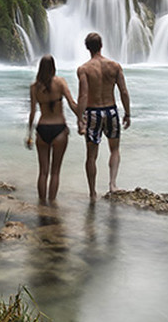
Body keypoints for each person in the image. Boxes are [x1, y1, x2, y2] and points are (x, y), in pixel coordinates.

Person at [76, 32, 130, 200]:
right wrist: (128, 113)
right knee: (114, 149)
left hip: (93, 112)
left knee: (91, 156)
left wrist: (79, 118)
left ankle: (92, 193)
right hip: (111, 111)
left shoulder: (84, 69)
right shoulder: (114, 66)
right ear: (101, 46)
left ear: (87, 48)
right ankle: (113, 184)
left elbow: (83, 96)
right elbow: (123, 91)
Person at [26, 55, 80, 204]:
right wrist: (81, 118)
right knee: (55, 172)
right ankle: (52, 205)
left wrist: (29, 135)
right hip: (59, 130)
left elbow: (32, 113)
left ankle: (42, 205)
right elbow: (72, 104)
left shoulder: (34, 87)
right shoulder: (61, 82)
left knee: (43, 172)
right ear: (54, 67)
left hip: (42, 129)